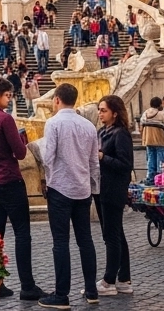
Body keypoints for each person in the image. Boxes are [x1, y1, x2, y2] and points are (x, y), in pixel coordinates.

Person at [0, 76, 42, 300]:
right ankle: (28, 286)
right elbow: (20, 153)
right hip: (9, 180)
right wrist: (22, 141)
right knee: (22, 233)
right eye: (8, 96)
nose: (9, 100)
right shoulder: (4, 119)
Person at [39, 83, 100, 308]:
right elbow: (94, 162)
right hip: (83, 190)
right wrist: (95, 189)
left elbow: (48, 156)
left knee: (61, 242)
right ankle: (91, 290)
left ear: (56, 99)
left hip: (60, 189)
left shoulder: (53, 123)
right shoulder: (88, 126)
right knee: (86, 241)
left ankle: (62, 295)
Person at [95, 95, 133, 296]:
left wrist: (103, 157)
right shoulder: (102, 132)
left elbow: (125, 165)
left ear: (115, 113)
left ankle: (109, 280)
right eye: (99, 110)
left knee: (111, 235)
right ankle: (124, 279)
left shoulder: (120, 134)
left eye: (104, 110)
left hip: (114, 189)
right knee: (117, 233)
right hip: (102, 187)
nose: (100, 114)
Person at [139, 97, 164, 183]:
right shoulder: (161, 114)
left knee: (150, 158)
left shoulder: (145, 113)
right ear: (159, 104)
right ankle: (159, 179)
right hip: (160, 139)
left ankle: (150, 177)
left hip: (148, 139)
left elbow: (141, 125)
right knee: (160, 159)